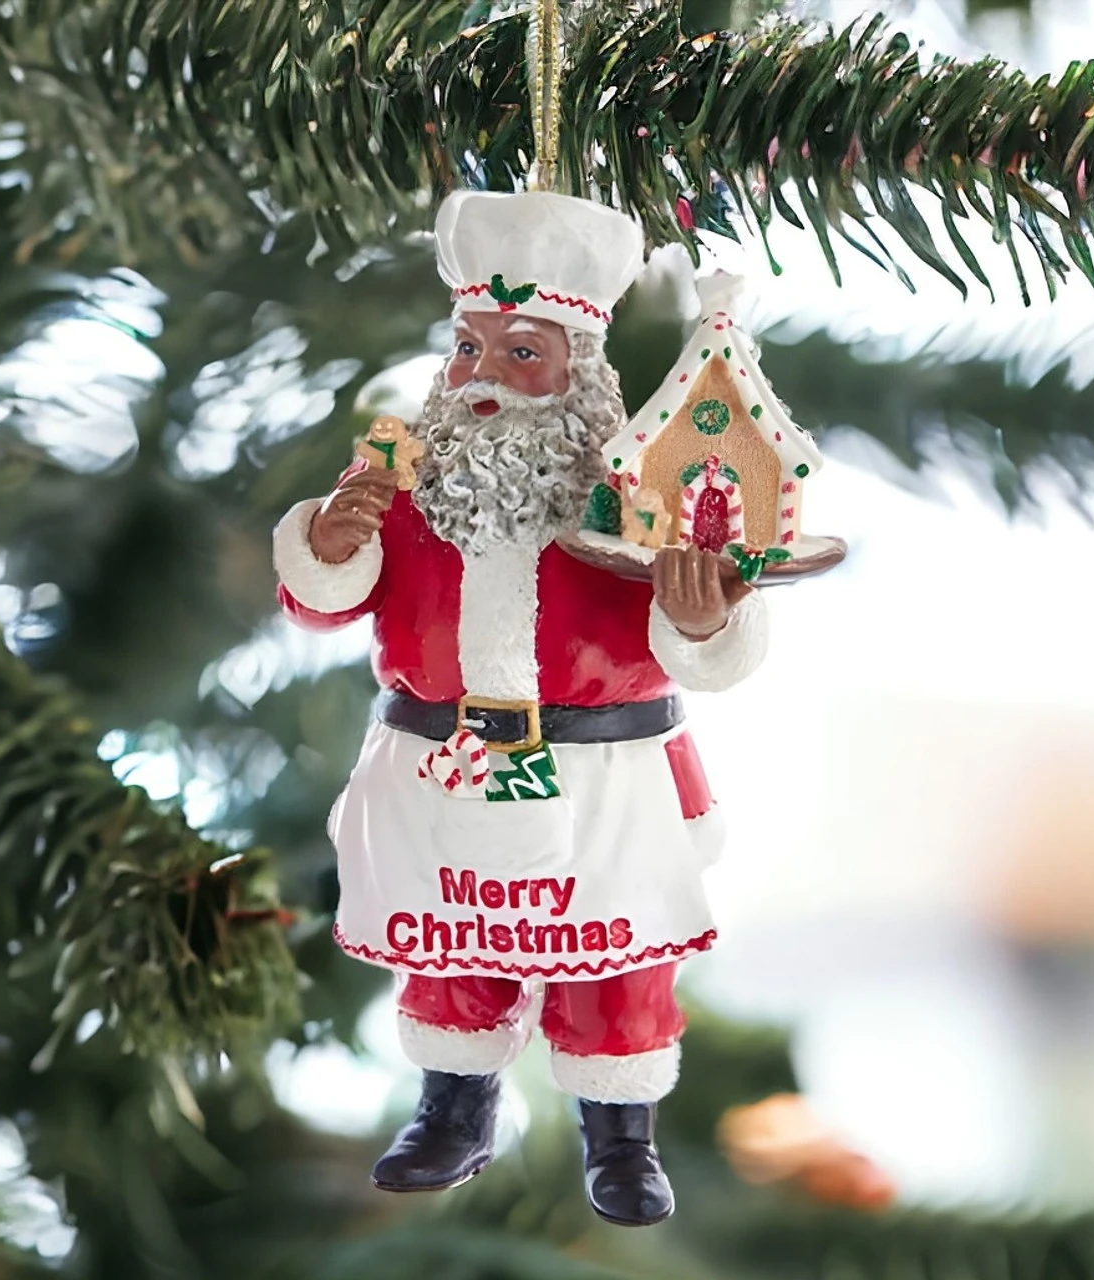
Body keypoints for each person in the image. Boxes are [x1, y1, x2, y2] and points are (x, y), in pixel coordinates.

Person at [273, 190, 768, 1226]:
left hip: (602, 778)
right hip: (440, 761)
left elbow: (696, 637)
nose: (481, 373)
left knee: (617, 962)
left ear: (578, 370)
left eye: (518, 351)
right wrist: (326, 548)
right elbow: (331, 594)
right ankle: (452, 1107)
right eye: (466, 348)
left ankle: (618, 1134)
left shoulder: (631, 496)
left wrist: (703, 614)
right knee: (452, 950)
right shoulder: (405, 484)